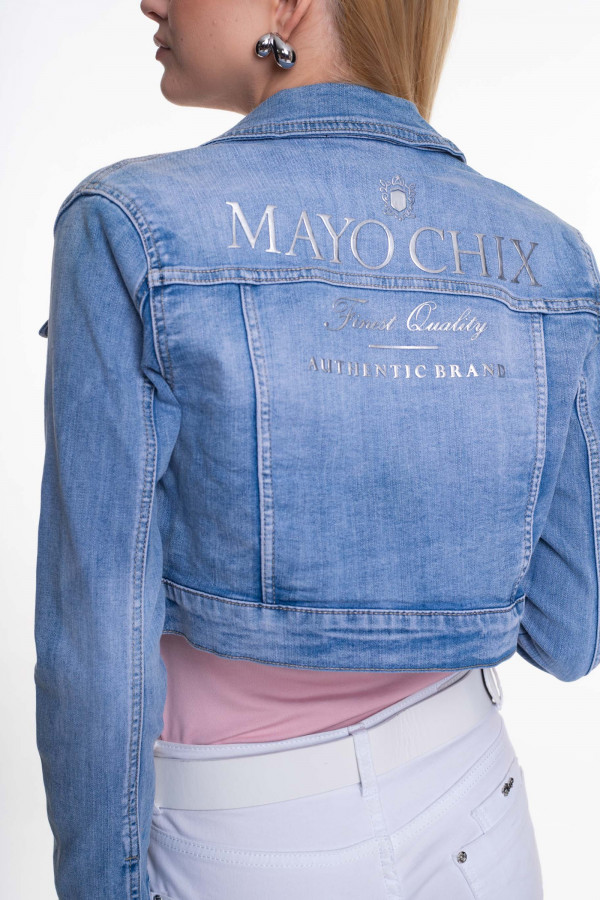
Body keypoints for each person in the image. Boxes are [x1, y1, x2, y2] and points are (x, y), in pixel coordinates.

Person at [33, 0, 600, 897]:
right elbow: (569, 631)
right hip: (478, 808)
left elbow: (97, 641)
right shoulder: (550, 253)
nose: (152, 2)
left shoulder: (129, 225)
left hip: (242, 843)